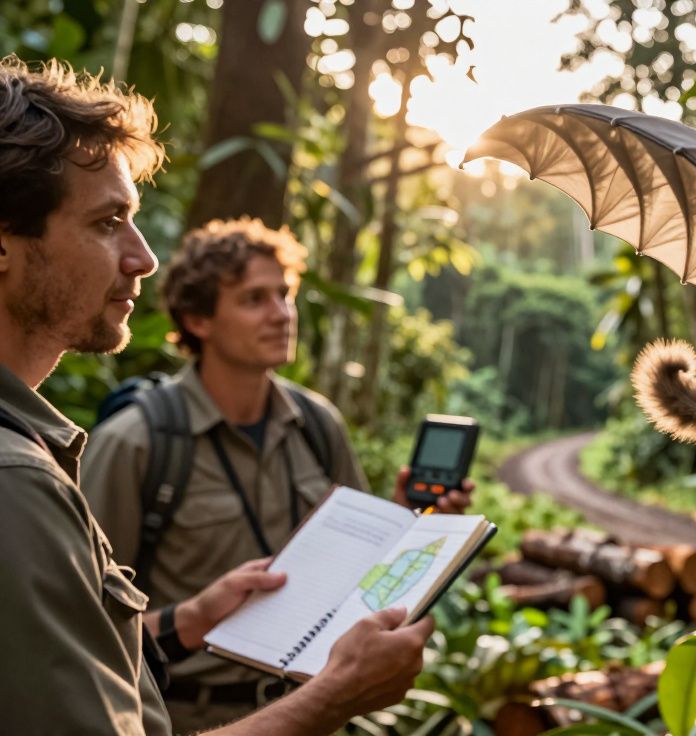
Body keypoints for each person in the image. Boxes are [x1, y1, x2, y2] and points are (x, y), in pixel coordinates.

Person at [0, 56, 435, 734]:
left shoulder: (316, 424)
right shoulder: (55, 468)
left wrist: (413, 526)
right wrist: (334, 698)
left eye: (283, 296)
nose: (143, 257)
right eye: (108, 221)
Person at [82, 217, 473, 730]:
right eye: (254, 299)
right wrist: (194, 618)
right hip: (185, 717)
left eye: (284, 295)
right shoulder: (136, 442)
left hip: (314, 710)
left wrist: (404, 521)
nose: (282, 313)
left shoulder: (316, 424)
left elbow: (356, 583)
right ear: (199, 320)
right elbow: (83, 633)